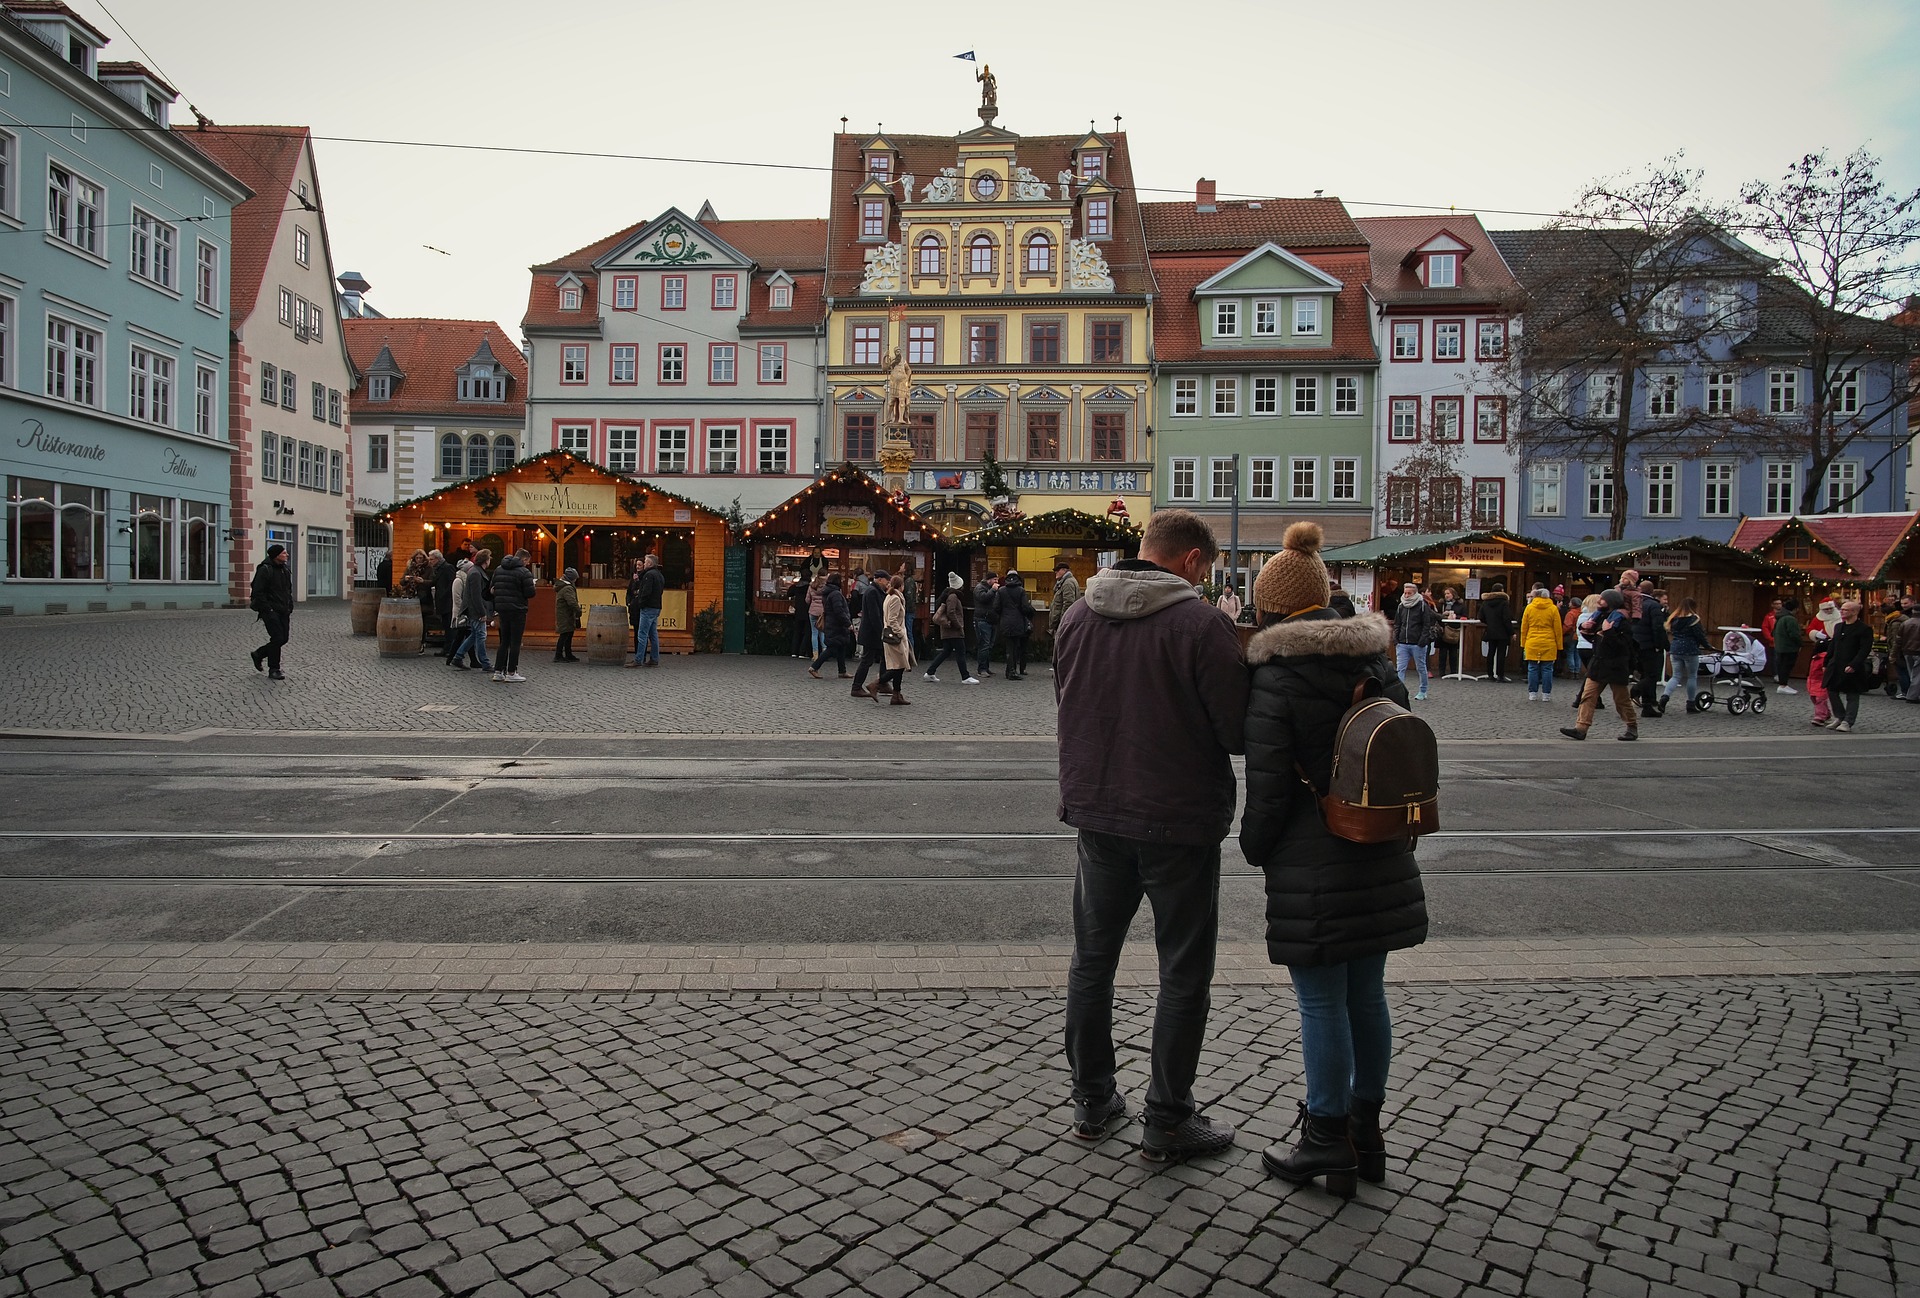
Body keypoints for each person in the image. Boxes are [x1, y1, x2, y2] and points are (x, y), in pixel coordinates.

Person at [1055, 509, 1249, 1163]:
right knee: (1183, 972)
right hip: (1178, 817)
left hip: (1098, 812)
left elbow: (1068, 701)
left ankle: (1091, 1098)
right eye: (1209, 569)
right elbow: (1237, 731)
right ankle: (1166, 1118)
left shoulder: (1078, 616)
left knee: (1092, 962)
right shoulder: (1202, 624)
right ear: (1192, 561)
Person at [1240, 522, 1426, 1197]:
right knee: (1366, 993)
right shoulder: (1374, 663)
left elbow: (1265, 796)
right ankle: (1366, 1132)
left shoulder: (1276, 680)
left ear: (1271, 607)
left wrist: (1254, 848)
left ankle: (1325, 1136)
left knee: (1320, 1002)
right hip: (1378, 845)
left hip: (1311, 856)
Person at [1561, 589, 1637, 741]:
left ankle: (1632, 726)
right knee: (1587, 696)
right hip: (1599, 663)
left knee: (1621, 699)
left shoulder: (1622, 621)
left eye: (1602, 599)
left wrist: (1609, 632)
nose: (1599, 601)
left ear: (1611, 602)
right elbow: (1597, 642)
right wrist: (1585, 630)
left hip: (1616, 665)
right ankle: (1581, 728)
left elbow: (1624, 646)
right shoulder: (1599, 617)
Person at [1822, 600, 1872, 732]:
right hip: (1836, 664)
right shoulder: (1839, 627)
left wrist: (1854, 664)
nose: (1842, 611)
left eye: (1845, 610)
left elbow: (1864, 650)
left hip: (1852, 666)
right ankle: (1839, 716)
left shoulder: (1864, 629)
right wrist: (1826, 662)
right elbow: (1833, 646)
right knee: (1831, 690)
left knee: (1852, 694)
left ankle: (1848, 721)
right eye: (1842, 609)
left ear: (1854, 612)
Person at [247, 543, 294, 681]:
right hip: (270, 611)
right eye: (284, 553)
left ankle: (259, 654)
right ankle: (274, 669)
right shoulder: (265, 570)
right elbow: (258, 592)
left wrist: (289, 606)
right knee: (277, 638)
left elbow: (287, 590)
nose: (287, 555)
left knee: (283, 638)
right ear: (276, 555)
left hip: (284, 610)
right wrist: (269, 610)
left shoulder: (285, 570)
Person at [489, 548, 536, 683]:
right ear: (524, 559)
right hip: (517, 610)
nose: (527, 564)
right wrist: (532, 585)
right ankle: (511, 672)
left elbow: (492, 588)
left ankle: (498, 671)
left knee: (504, 641)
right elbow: (530, 593)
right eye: (527, 561)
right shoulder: (524, 572)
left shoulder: (498, 569)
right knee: (515, 641)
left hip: (502, 609)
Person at [924, 572, 978, 684]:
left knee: (946, 651)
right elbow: (951, 611)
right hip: (953, 630)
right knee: (960, 652)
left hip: (947, 630)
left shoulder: (948, 595)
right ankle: (965, 676)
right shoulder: (953, 596)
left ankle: (930, 672)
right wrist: (958, 625)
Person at [1628, 580, 1669, 716]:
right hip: (1649, 645)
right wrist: (1659, 645)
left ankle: (1647, 706)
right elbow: (1658, 628)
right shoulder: (1653, 606)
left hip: (1635, 643)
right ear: (1652, 591)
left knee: (1644, 674)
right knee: (1652, 675)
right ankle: (1635, 691)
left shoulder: (1634, 604)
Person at [1390, 582, 1436, 700]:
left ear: (1415, 593)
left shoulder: (1422, 605)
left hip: (1417, 643)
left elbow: (1426, 624)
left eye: (1409, 593)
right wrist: (1396, 638)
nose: (1406, 595)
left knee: (1421, 668)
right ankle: (1398, 693)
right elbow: (1398, 623)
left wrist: (1422, 640)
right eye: (1405, 593)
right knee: (1400, 668)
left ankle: (1423, 691)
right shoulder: (1401, 606)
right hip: (1402, 643)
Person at [1662, 597, 1708, 712]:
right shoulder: (1694, 619)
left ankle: (1665, 697)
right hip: (1690, 650)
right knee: (1692, 676)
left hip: (1676, 649)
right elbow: (1700, 635)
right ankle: (1690, 703)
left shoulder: (1674, 619)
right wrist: (1708, 646)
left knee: (1676, 676)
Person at [455, 549, 495, 673]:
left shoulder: (475, 572)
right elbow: (476, 596)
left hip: (474, 609)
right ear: (486, 560)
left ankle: (458, 656)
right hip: (475, 610)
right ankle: (485, 663)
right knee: (481, 635)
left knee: (475, 635)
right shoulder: (476, 574)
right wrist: (482, 612)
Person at [1519, 586, 1561, 702]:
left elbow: (1524, 627)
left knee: (1532, 668)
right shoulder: (1553, 608)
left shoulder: (1529, 608)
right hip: (1549, 641)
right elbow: (1557, 629)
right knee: (1547, 668)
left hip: (1532, 640)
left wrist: (1523, 643)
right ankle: (1546, 694)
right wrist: (1559, 645)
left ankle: (1532, 693)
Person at [878, 573, 914, 705]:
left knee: (900, 665)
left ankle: (896, 695)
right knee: (898, 666)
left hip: (893, 635)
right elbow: (892, 619)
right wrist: (900, 633)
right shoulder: (895, 598)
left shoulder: (890, 596)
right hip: (894, 637)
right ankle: (877, 683)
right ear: (901, 586)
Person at [851, 571, 888, 699]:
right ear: (880, 580)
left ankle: (882, 683)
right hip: (871, 632)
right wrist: (881, 631)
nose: (887, 583)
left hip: (872, 632)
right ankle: (856, 687)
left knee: (883, 657)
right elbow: (874, 615)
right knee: (867, 660)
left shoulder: (874, 591)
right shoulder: (872, 592)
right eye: (886, 581)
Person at [808, 576, 853, 679]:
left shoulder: (828, 592)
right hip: (836, 625)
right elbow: (839, 610)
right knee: (832, 649)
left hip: (832, 623)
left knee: (841, 646)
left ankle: (842, 671)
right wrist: (847, 623)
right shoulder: (836, 594)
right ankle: (814, 667)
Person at [626, 554, 664, 668]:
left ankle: (638, 659)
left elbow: (646, 592)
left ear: (650, 563)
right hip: (656, 607)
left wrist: (640, 603)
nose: (644, 564)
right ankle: (654, 658)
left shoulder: (649, 575)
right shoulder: (659, 575)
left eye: (646, 562)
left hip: (647, 608)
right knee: (653, 635)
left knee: (642, 634)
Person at [998, 571, 1037, 680]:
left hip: (1005, 621)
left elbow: (996, 607)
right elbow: (1025, 607)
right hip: (1018, 622)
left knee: (1009, 647)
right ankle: (1012, 672)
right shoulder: (1021, 591)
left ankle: (1009, 670)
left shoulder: (1001, 591)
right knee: (1015, 647)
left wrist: (1003, 615)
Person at [1049, 562, 1082, 673]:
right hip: (1063, 621)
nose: (1055, 573)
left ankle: (1061, 669)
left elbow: (1068, 603)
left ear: (1064, 570)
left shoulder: (1067, 583)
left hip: (1063, 622)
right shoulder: (1066, 582)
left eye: (1057, 570)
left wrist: (1064, 621)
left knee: (1062, 646)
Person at [1479, 583, 1514, 682]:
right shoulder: (1504, 602)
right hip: (1502, 632)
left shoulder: (1485, 602)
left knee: (1491, 653)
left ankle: (1490, 674)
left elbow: (1481, 617)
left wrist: (1489, 623)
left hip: (1490, 631)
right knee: (1501, 654)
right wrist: (1511, 632)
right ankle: (1500, 675)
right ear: (1501, 590)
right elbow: (1506, 618)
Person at [1432, 586, 1465, 677]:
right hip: (1443, 630)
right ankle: (1441, 672)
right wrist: (1442, 615)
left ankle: (1454, 672)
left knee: (1453, 652)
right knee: (1442, 652)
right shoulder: (1441, 604)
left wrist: (1455, 616)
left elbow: (1464, 616)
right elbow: (1436, 614)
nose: (1446, 595)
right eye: (1445, 593)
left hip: (1454, 630)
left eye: (1448, 593)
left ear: (1453, 594)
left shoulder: (1460, 605)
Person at [1772, 598, 1804, 693]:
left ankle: (1782, 684)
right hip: (1789, 647)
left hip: (1780, 646)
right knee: (1787, 666)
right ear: (1795, 609)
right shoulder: (1790, 619)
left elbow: (1773, 632)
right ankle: (1783, 685)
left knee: (1781, 666)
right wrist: (1800, 644)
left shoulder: (1780, 617)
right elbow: (1794, 634)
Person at [433, 548, 460, 659]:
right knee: (446, 625)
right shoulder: (438, 568)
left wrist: (444, 594)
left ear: (438, 559)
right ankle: (447, 648)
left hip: (448, 601)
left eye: (432, 559)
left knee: (450, 627)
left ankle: (450, 649)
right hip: (443, 601)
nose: (430, 561)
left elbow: (451, 583)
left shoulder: (447, 568)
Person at [552, 567, 582, 663]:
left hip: (565, 614)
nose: (576, 580)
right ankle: (558, 655)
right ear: (571, 578)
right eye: (575, 578)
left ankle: (568, 654)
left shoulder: (563, 586)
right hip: (566, 615)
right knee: (564, 635)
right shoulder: (567, 588)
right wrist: (578, 611)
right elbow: (572, 602)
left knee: (568, 634)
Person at [973, 571, 1001, 678]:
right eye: (995, 579)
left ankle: (986, 667)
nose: (996, 582)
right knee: (984, 645)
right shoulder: (979, 588)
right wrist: (993, 590)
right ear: (989, 580)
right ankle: (982, 669)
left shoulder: (992, 590)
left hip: (992, 620)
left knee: (989, 645)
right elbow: (983, 598)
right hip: (982, 620)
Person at [1900, 599, 1920, 703]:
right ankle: (1912, 696)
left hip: (1907, 651)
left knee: (1912, 673)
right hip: (1917, 651)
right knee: (1916, 675)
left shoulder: (1906, 623)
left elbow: (1899, 638)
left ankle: (1913, 694)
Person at [788, 575, 811, 659]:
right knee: (807, 633)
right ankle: (802, 652)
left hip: (798, 611)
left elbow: (789, 593)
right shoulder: (810, 587)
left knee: (797, 632)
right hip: (807, 611)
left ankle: (794, 652)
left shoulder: (796, 586)